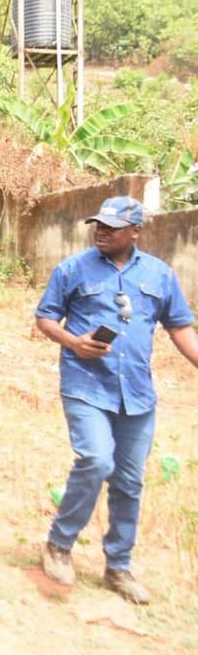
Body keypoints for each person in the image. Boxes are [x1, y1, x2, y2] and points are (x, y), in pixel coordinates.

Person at [35, 196, 198, 605]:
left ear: (136, 231)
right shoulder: (72, 269)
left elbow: (180, 327)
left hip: (137, 395)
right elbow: (45, 318)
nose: (102, 231)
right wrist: (73, 341)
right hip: (86, 386)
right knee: (96, 459)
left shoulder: (159, 274)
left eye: (112, 226)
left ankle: (118, 566)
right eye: (99, 224)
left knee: (129, 480)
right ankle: (59, 544)